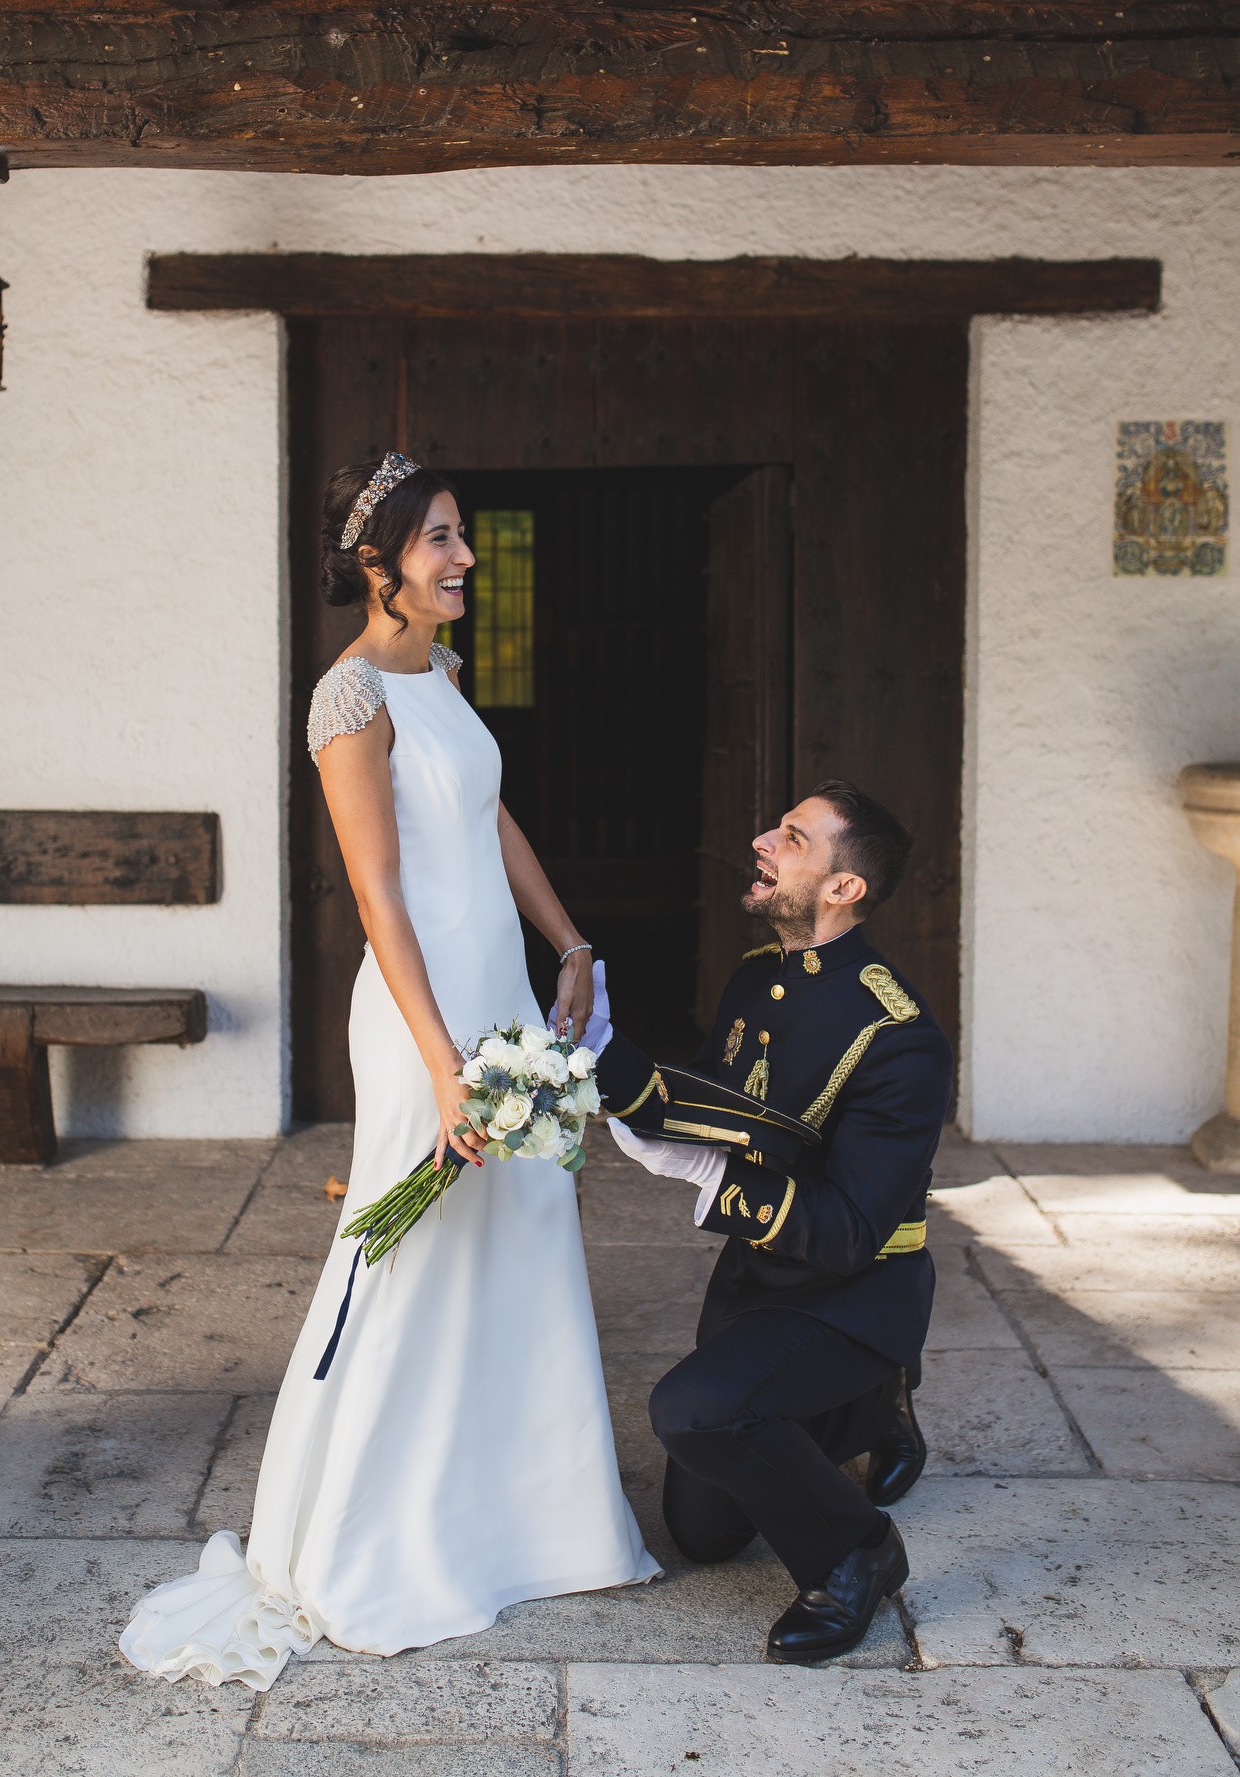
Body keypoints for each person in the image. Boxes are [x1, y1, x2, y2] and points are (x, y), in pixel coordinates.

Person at [119, 452, 658, 1688]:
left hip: (499, 992)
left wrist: (569, 940)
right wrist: (445, 1065)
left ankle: (536, 1524)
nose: (463, 558)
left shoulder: (443, 673)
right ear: (379, 566)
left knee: (521, 1231)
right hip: (424, 1014)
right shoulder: (348, 699)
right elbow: (377, 895)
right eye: (440, 543)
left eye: (462, 536)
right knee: (411, 1244)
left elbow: (489, 819)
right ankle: (370, 1539)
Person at [590, 782, 953, 1665]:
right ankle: (867, 1413)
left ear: (842, 888)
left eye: (790, 837)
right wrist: (609, 1077)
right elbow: (727, 1106)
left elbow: (847, 1234)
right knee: (702, 1535)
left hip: (853, 1294)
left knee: (692, 1413)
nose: (761, 840)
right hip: (760, 1276)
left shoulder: (899, 1036)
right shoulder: (759, 977)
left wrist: (706, 1170)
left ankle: (858, 1551)